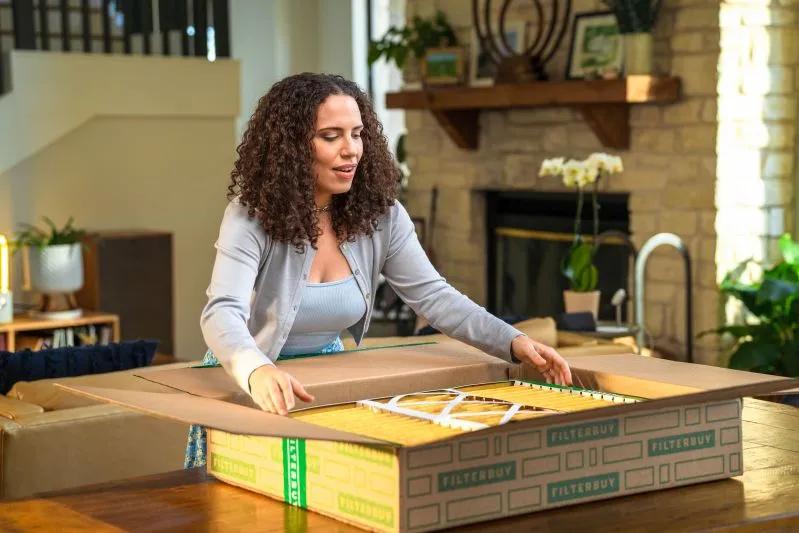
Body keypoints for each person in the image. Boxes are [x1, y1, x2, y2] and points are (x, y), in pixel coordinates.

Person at [185, 73, 571, 468]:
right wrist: (257, 372)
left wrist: (513, 341)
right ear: (291, 148)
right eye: (331, 136)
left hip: (329, 381)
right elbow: (222, 313)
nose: (351, 150)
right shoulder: (250, 216)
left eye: (357, 134)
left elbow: (434, 297)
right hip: (247, 378)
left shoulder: (381, 216)